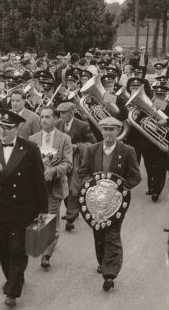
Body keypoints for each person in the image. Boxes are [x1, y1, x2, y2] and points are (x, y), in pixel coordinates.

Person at [0, 109, 48, 307]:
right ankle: (14, 278)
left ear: (17, 128)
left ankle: (13, 292)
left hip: (23, 209)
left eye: (8, 128)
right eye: (1, 126)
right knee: (5, 250)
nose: (3, 131)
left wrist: (43, 210)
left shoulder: (30, 148)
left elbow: (39, 180)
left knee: (17, 250)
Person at [79, 117, 141, 291]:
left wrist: (119, 189)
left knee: (112, 234)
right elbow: (83, 172)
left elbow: (136, 176)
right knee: (98, 233)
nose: (108, 133)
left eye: (111, 130)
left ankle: (109, 274)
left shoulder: (128, 151)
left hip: (116, 203)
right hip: (95, 203)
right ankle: (103, 261)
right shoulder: (91, 150)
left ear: (118, 131)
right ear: (100, 130)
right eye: (105, 129)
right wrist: (91, 184)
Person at [29, 106, 72, 269]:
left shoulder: (64, 139)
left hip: (54, 187)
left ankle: (46, 255)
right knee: (41, 219)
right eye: (41, 117)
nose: (44, 120)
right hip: (36, 189)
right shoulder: (33, 139)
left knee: (52, 221)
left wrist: (53, 171)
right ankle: (43, 241)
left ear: (55, 119)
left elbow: (68, 163)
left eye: (47, 117)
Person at [55, 102, 96, 231]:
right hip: (61, 161)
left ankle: (70, 217)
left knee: (73, 187)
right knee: (64, 185)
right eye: (60, 113)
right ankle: (71, 211)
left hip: (77, 160)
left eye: (64, 113)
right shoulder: (58, 124)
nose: (61, 115)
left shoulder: (82, 125)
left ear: (72, 113)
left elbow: (93, 143)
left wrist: (78, 146)